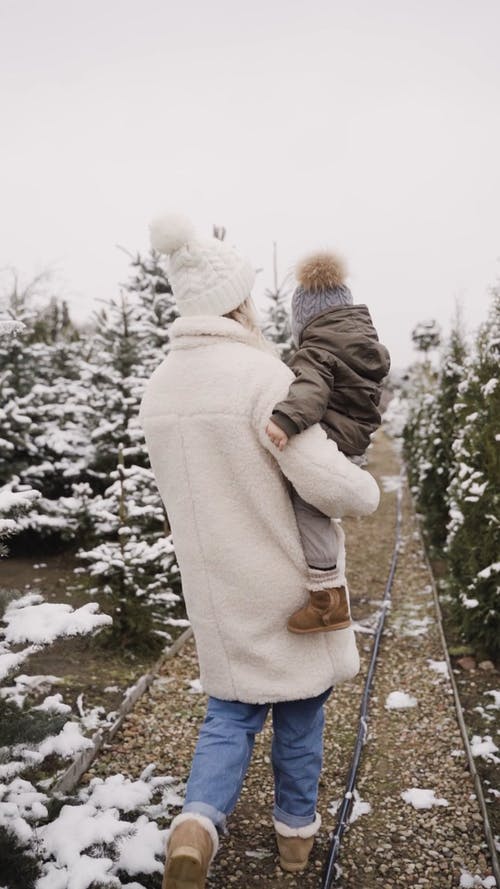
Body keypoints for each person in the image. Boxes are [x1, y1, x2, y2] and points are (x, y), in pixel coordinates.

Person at [139, 214, 380, 889]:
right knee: (301, 716)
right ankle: (295, 843)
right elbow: (322, 478)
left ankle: (196, 823)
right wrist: (367, 490)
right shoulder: (260, 375)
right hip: (286, 579)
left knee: (229, 713)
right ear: (237, 299)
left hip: (215, 585)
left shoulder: (159, 387)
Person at [265, 250, 391, 635]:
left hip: (332, 439)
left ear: (304, 321)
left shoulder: (317, 350)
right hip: (354, 444)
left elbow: (310, 390)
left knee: (307, 509)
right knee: (320, 510)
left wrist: (284, 420)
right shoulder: (362, 346)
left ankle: (326, 598)